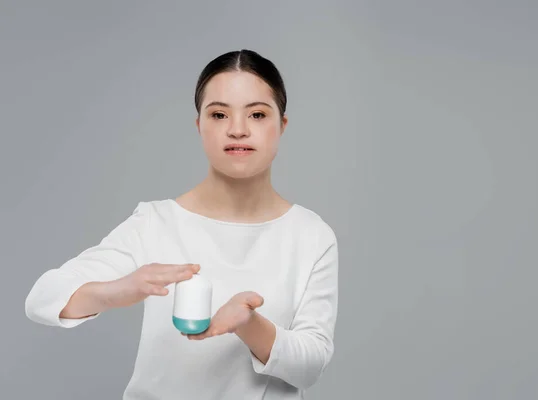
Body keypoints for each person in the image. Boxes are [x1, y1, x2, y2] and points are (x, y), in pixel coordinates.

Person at [24, 49, 339, 400]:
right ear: (199, 125)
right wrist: (120, 289)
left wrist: (249, 325)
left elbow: (312, 365)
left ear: (281, 125)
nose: (237, 130)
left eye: (257, 114)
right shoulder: (155, 223)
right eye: (219, 114)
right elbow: (41, 299)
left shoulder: (311, 236)